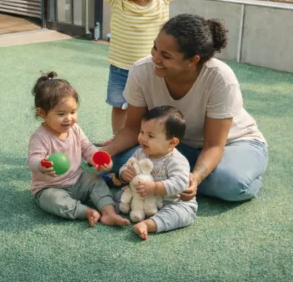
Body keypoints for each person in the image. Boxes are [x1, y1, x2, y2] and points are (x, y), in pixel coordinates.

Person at [104, 14, 267, 202]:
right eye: (155, 48)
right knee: (118, 163)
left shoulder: (220, 78)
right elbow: (132, 128)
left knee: (231, 183)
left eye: (166, 56)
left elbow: (214, 145)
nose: (155, 58)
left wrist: (196, 177)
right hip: (175, 145)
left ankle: (246, 172)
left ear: (193, 60)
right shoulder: (141, 70)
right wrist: (106, 152)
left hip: (232, 143)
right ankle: (175, 175)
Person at [98, 0, 176, 135]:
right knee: (119, 105)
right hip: (121, 68)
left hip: (153, 68)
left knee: (153, 109)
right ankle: (119, 139)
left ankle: (149, 139)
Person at [28, 72, 129, 227]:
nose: (69, 118)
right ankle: (84, 211)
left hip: (77, 180)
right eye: (61, 114)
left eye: (73, 112)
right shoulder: (40, 137)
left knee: (96, 180)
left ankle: (109, 213)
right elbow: (33, 160)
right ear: (41, 113)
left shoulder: (74, 129)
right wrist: (42, 164)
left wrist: (99, 159)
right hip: (50, 188)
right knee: (51, 200)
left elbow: (87, 147)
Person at [118, 106, 196, 240]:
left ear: (172, 142)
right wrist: (124, 174)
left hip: (171, 202)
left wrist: (155, 187)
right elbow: (127, 166)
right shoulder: (140, 153)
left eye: (150, 135)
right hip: (141, 198)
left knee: (184, 213)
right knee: (118, 196)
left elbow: (180, 183)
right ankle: (110, 211)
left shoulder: (177, 161)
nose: (142, 138)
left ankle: (148, 224)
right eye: (141, 132)